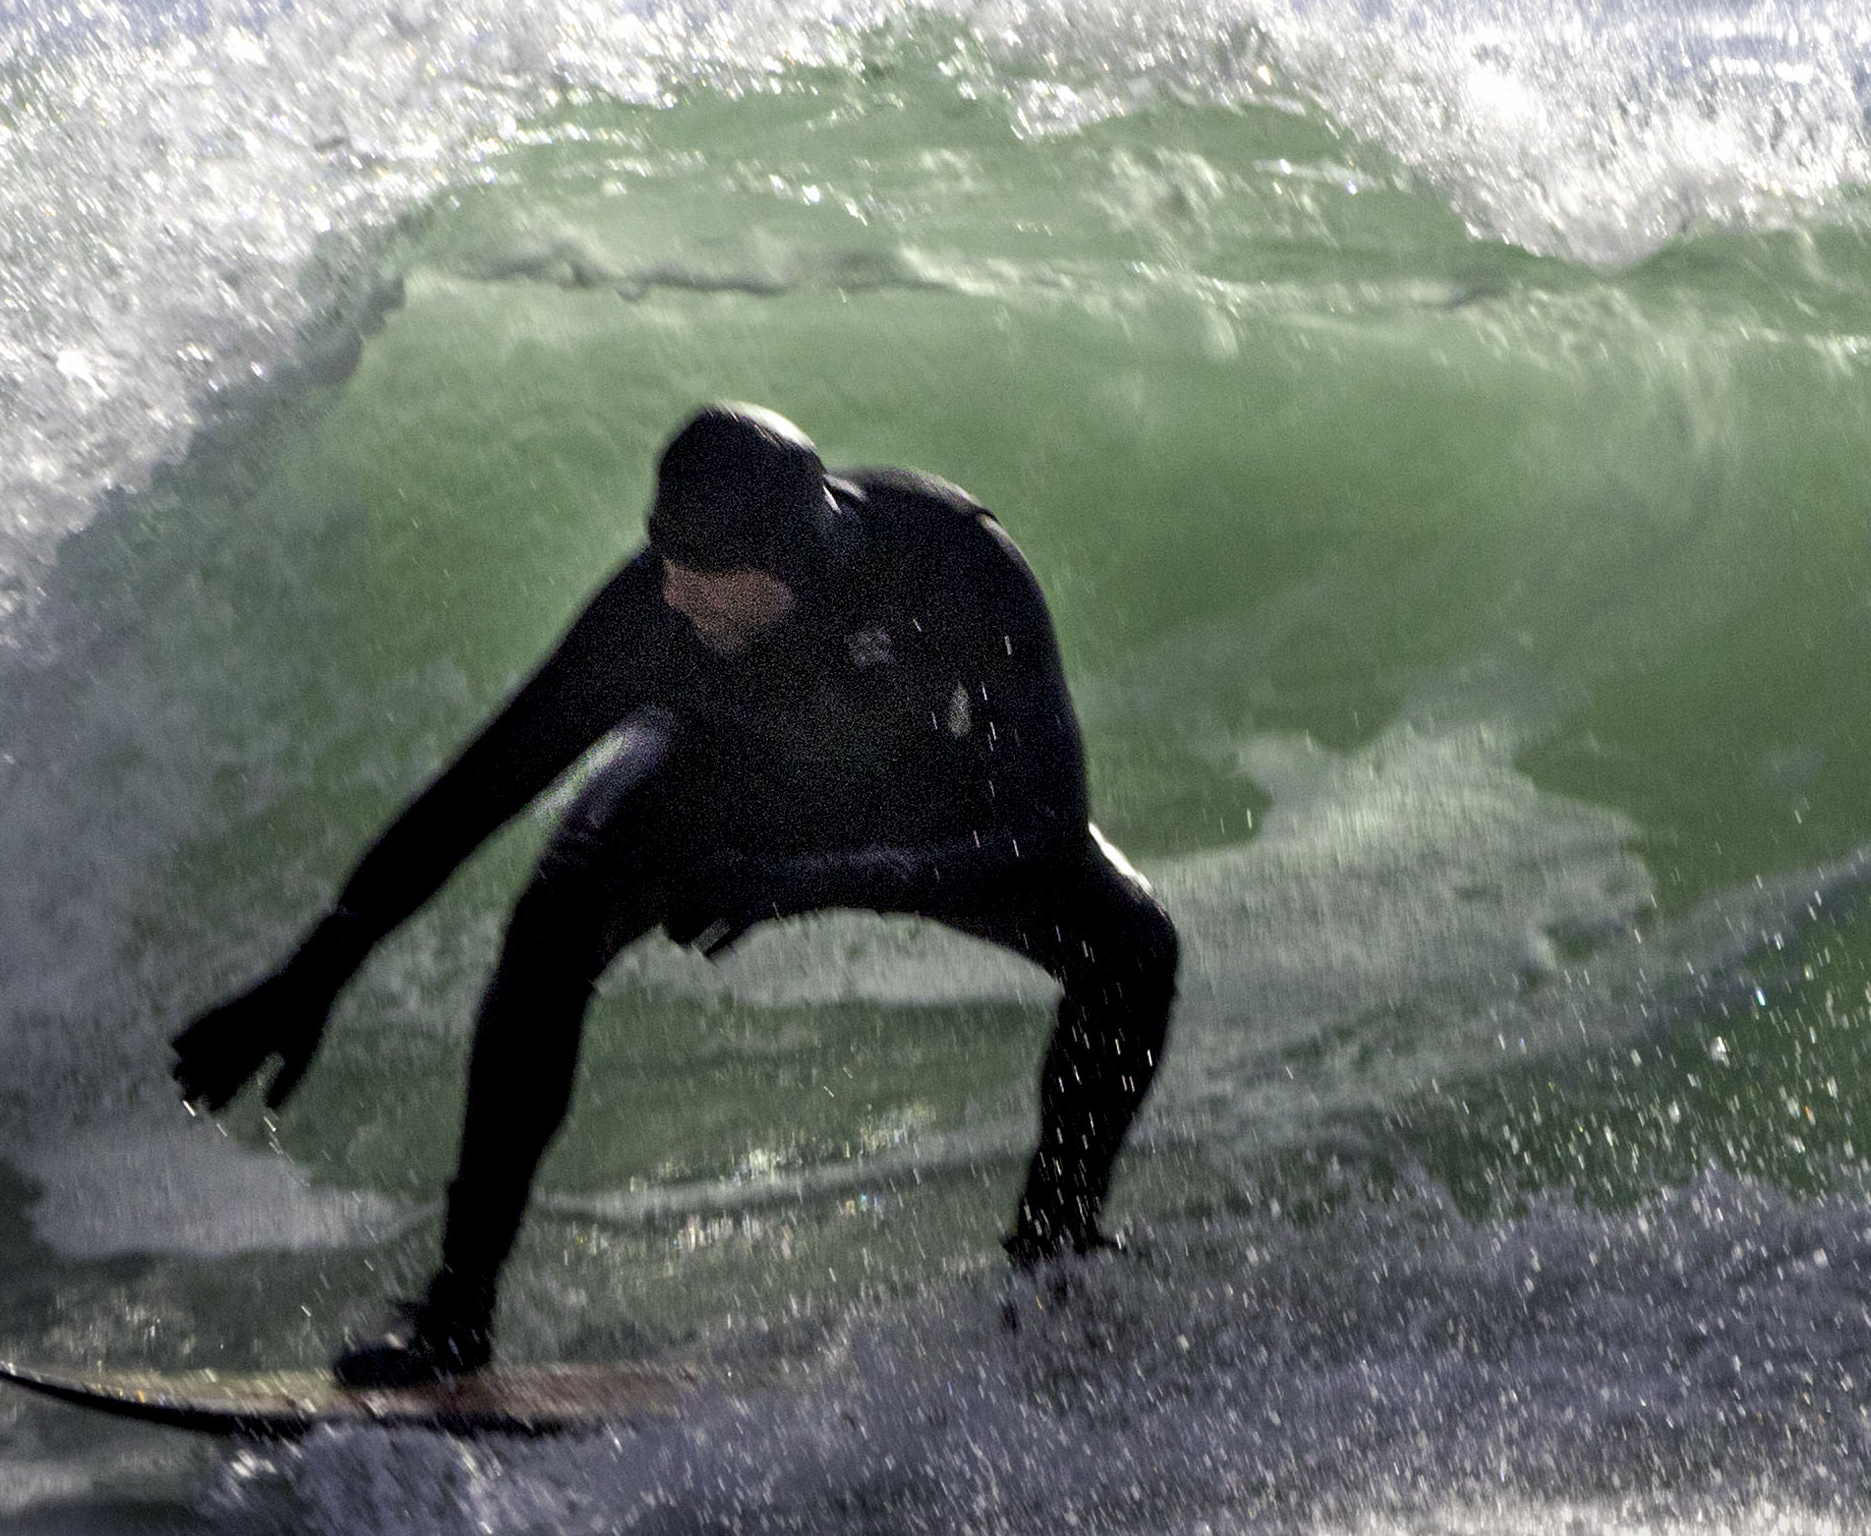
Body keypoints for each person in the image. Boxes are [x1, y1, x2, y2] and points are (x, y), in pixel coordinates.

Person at [168, 404, 1179, 1385]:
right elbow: (478, 791)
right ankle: (454, 1313)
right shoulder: (648, 617)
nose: (674, 595)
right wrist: (315, 971)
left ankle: (1050, 1263)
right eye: (664, 561)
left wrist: (797, 888)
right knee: (550, 926)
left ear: (784, 562)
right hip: (714, 791)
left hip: (914, 799)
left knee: (1135, 947)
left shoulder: (950, 561)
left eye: (702, 576)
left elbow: (1046, 831)